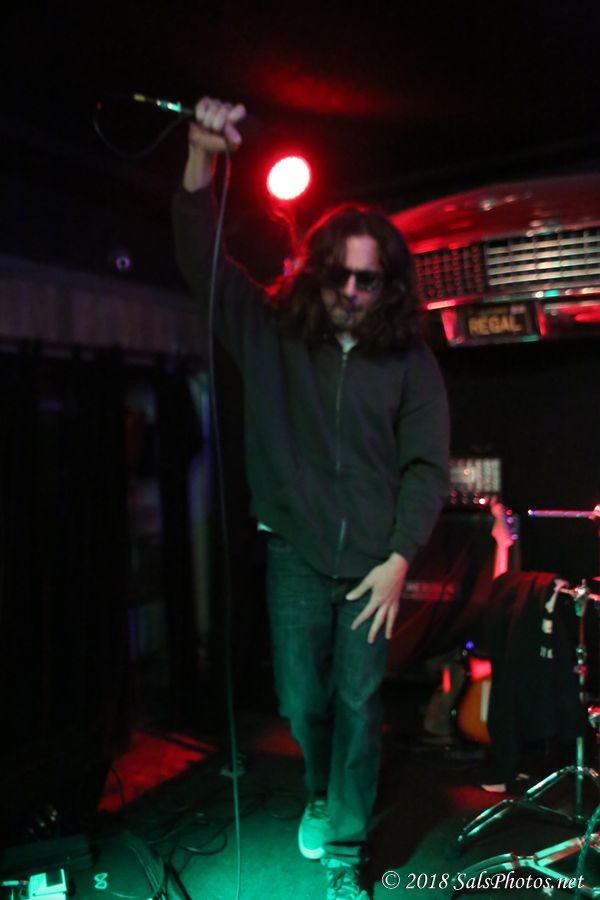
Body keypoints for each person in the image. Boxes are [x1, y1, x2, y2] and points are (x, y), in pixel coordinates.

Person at [172, 97, 450, 900]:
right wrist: (200, 159)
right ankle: (319, 791)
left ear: (385, 284)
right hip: (294, 550)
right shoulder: (272, 329)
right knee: (302, 701)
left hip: (371, 563)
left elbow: (427, 464)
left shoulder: (409, 360)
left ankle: (343, 853)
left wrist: (400, 559)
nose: (353, 290)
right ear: (318, 269)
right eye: (342, 275)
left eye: (370, 278)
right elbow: (201, 262)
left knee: (359, 701)